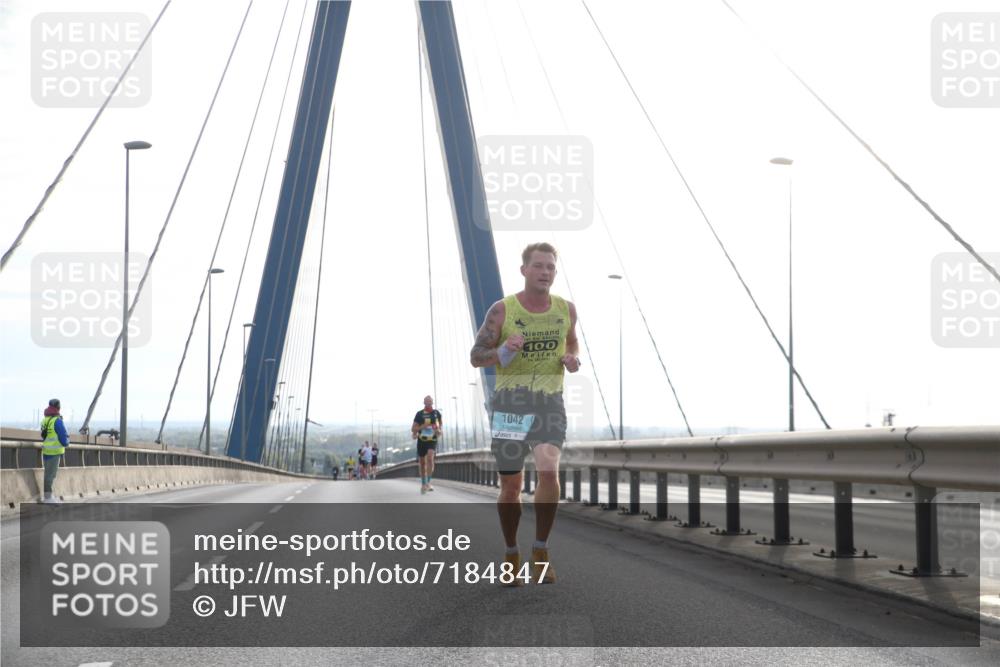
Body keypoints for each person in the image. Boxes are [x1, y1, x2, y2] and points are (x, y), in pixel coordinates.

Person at [470, 242, 580, 585]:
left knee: (549, 472)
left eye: (550, 267)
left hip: (549, 401)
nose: (545, 272)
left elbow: (572, 341)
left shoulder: (566, 309)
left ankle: (541, 549)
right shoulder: (502, 310)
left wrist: (572, 359)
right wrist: (503, 349)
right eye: (539, 266)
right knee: (511, 487)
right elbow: (476, 356)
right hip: (510, 404)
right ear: (524, 270)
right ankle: (510, 554)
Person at [39, 398, 70, 504]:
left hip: (46, 451)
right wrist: (67, 441)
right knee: (51, 475)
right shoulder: (57, 421)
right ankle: (48, 498)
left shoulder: (45, 420)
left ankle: (48, 496)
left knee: (47, 474)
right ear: (58, 407)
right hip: (55, 452)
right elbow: (63, 439)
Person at [411, 396, 442, 494]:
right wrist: (421, 427)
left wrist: (438, 431)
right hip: (421, 441)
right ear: (424, 403)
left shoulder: (436, 414)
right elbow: (413, 429)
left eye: (430, 402)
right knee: (422, 463)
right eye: (427, 402)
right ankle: (423, 484)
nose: (428, 404)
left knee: (430, 457)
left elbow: (440, 429)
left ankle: (428, 482)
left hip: (432, 440)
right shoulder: (419, 414)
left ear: (432, 402)